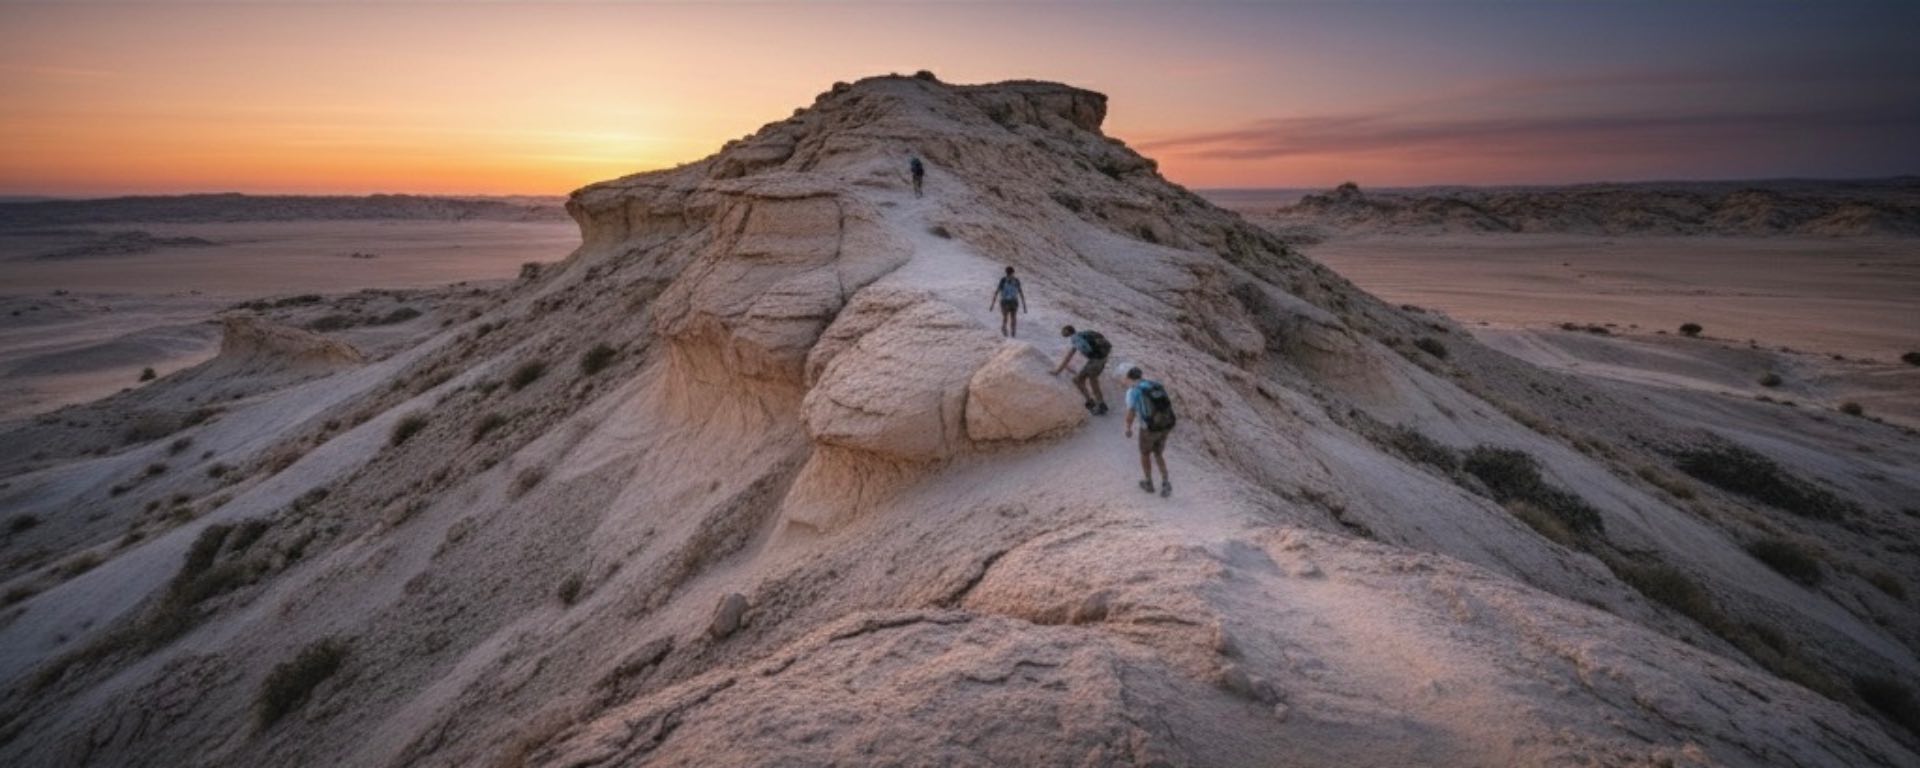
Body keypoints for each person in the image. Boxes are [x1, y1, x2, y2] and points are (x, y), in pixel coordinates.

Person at [1122, 367, 1175, 497]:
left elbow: (1131, 412)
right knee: (1158, 454)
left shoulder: (1133, 391)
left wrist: (1128, 428)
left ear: (1129, 378)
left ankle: (1149, 482)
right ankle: (1165, 482)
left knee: (1145, 454)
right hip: (1165, 425)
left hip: (1148, 428)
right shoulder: (1156, 385)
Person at [1052, 325, 1111, 414]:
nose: (1062, 333)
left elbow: (1070, 356)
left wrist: (1057, 371)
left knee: (1093, 381)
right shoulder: (1084, 334)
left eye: (1063, 331)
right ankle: (1091, 401)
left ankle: (1101, 405)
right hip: (1101, 359)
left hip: (1095, 361)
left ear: (1067, 331)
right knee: (1077, 380)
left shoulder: (1076, 339)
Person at [990, 266, 1026, 337]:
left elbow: (997, 292)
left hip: (1010, 301)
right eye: (1010, 273)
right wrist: (992, 305)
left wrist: (992, 304)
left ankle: (1011, 332)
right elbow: (997, 291)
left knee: (1010, 317)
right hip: (1008, 302)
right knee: (1008, 317)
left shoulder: (1013, 280)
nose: (1010, 274)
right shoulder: (1006, 280)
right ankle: (1007, 331)